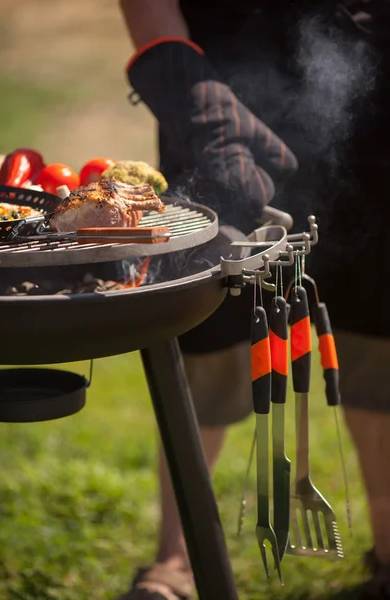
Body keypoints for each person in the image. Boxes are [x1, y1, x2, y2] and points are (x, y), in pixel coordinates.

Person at [117, 2, 390, 599]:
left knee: (380, 329)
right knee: (205, 332)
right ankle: (177, 560)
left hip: (375, 81)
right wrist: (193, 101)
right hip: (217, 93)